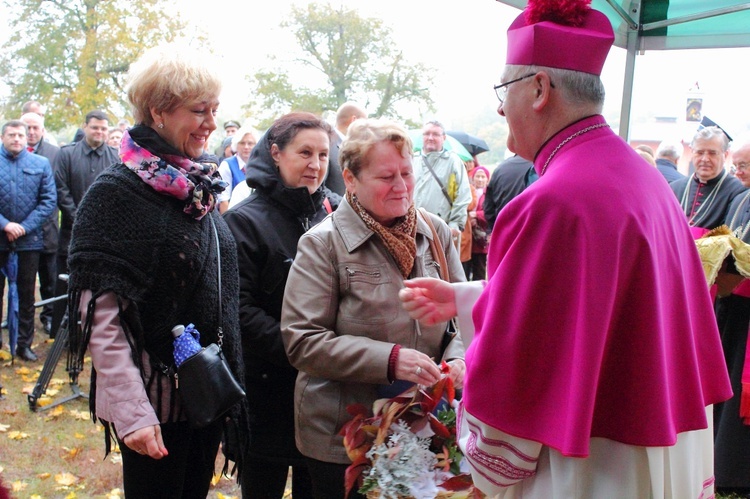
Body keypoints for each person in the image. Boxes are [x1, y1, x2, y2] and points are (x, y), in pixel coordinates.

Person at [399, 1, 731, 496]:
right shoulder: (643, 176)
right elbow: (586, 297)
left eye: (503, 91)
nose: (498, 108)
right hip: (655, 432)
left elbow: (525, 359)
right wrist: (469, 298)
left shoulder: (553, 200)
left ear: (538, 88)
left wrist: (489, 460)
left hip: (592, 458)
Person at [64, 44, 245, 498]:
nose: (210, 123)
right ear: (158, 112)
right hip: (153, 405)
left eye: (215, 110)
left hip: (206, 394)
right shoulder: (115, 193)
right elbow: (101, 320)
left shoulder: (198, 187)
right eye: (199, 110)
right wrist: (133, 414)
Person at [281, 118, 466, 499]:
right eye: (386, 177)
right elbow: (302, 342)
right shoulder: (322, 244)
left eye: (406, 173)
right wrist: (391, 359)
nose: (401, 187)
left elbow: (464, 317)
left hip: (424, 426)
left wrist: (460, 359)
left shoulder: (436, 233)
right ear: (350, 179)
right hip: (344, 438)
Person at [224, 112, 331, 499]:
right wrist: (306, 351)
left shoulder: (332, 214)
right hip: (266, 389)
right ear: (275, 153)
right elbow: (240, 310)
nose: (315, 165)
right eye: (305, 153)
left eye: (323, 154)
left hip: (322, 392)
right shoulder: (244, 222)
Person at [52, 110, 119, 337]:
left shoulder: (116, 156)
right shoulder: (66, 154)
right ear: (85, 127)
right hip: (71, 234)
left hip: (105, 237)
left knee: (100, 288)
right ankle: (66, 336)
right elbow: (60, 190)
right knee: (66, 286)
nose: (99, 132)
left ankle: (96, 336)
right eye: (94, 127)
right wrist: (81, 219)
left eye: (103, 128)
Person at [0, 120, 56, 361]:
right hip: (0, 239)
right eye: (12, 134)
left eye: (20, 135)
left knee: (26, 295)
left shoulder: (40, 164)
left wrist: (23, 227)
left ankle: (24, 344)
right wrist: (5, 225)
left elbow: (48, 201)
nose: (17, 138)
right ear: (3, 137)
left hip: (29, 241)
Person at [714, 140, 750, 496]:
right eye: (736, 165)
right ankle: (723, 466)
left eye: (744, 166)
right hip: (732, 308)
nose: (738, 173)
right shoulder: (739, 197)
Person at [20, 112, 60, 335]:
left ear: (42, 130)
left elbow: (58, 190)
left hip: (47, 228)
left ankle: (49, 317)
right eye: (28, 128)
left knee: (49, 279)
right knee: (22, 283)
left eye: (35, 128)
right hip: (16, 232)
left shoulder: (55, 154)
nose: (31, 132)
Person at [670, 126, 746, 237]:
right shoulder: (674, 188)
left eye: (712, 153)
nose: (705, 159)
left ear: (725, 155)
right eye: (700, 152)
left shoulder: (739, 192)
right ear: (692, 152)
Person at [412, 120, 472, 244]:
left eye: (435, 134)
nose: (430, 138)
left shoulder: (453, 161)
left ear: (443, 138)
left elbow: (463, 195)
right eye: (427, 134)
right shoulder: (413, 160)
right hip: (412, 228)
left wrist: (455, 224)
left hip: (440, 229)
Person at [483, 154, 536, 231]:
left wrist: (493, 228)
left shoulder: (500, 168)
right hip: (530, 228)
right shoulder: (538, 167)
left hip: (504, 229)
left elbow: (488, 207)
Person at [327, 102, 367, 201]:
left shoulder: (351, 147)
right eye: (365, 123)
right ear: (354, 120)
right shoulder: (327, 145)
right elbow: (318, 187)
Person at [217, 125, 258, 213]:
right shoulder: (227, 165)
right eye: (242, 143)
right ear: (236, 145)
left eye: (250, 143)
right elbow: (224, 201)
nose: (246, 147)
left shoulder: (259, 165)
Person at [468, 165, 490, 281]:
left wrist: (477, 215)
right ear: (473, 178)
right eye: (478, 176)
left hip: (481, 241)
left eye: (483, 177)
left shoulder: (489, 194)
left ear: (487, 179)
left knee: (479, 271)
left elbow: (491, 212)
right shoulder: (468, 192)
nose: (480, 179)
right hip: (468, 239)